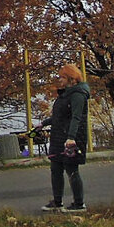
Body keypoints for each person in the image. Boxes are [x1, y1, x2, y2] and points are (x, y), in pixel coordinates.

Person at [38, 62, 90, 213]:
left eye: (62, 77)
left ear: (71, 78)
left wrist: (71, 138)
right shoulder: (65, 94)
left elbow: (76, 117)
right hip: (58, 136)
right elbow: (60, 117)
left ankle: (79, 204)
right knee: (56, 168)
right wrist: (44, 123)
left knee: (71, 169)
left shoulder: (78, 95)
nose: (59, 80)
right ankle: (57, 201)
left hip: (71, 138)